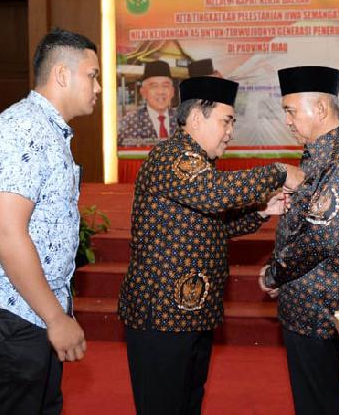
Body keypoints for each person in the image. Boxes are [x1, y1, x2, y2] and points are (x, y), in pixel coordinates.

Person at [117, 75, 305, 415]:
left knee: (188, 404)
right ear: (195, 118)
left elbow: (215, 224)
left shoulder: (199, 165)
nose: (230, 131)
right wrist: (278, 172)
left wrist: (262, 210)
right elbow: (215, 193)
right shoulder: (173, 156)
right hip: (162, 317)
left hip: (192, 314)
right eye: (226, 121)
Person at [0, 27, 100, 414]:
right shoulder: (23, 129)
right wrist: (55, 318)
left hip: (30, 312)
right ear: (62, 74)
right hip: (12, 315)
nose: (98, 88)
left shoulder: (48, 130)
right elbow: (7, 233)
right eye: (92, 76)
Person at [259, 66, 339, 415]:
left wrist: (276, 273)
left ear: (320, 108)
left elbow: (321, 237)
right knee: (315, 398)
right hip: (307, 299)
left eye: (291, 111)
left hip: (318, 305)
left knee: (320, 401)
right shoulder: (321, 152)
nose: (287, 121)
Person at [118, 60, 177, 147]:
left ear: (172, 92)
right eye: (154, 86)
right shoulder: (129, 123)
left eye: (165, 86)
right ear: (143, 92)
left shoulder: (184, 121)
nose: (160, 92)